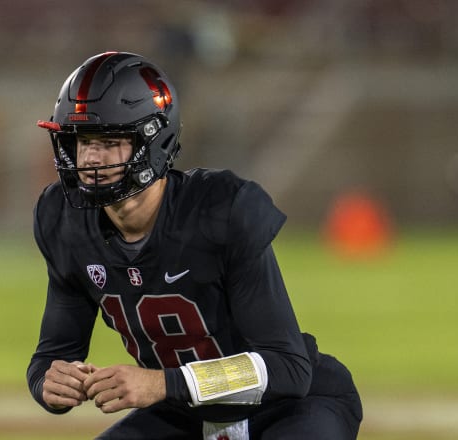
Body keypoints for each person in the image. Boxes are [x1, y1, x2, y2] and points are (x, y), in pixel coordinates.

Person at [27, 51, 362, 439]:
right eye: (81, 142)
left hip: (288, 408)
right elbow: (52, 355)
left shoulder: (220, 209)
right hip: (185, 413)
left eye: (108, 142)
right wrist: (49, 385)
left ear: (152, 143)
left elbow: (289, 368)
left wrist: (162, 384)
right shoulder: (63, 219)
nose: (90, 159)